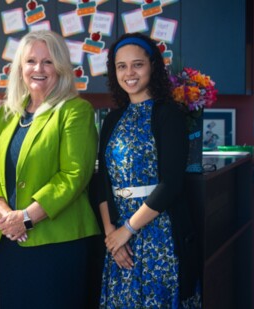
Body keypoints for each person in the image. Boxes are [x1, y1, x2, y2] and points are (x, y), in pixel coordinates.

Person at [0, 30, 100, 308]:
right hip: (11, 240)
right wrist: (5, 214)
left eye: (48, 62)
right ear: (20, 68)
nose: (38, 69)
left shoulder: (75, 111)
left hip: (57, 244)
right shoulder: (8, 114)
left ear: (61, 68)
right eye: (31, 61)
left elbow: (74, 175)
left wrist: (27, 217)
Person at [97, 32, 201, 307]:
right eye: (121, 66)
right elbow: (103, 182)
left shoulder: (169, 115)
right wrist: (112, 236)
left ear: (152, 66)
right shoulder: (112, 119)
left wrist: (128, 230)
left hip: (159, 236)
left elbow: (171, 184)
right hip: (120, 241)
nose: (129, 72)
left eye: (137, 64)